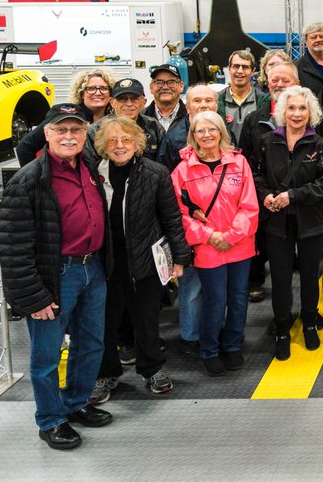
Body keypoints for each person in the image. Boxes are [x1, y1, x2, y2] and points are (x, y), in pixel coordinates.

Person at [1, 103, 114, 451]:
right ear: (46, 134)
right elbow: (13, 246)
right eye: (61, 130)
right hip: (56, 274)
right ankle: (50, 420)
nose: (69, 136)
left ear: (85, 135)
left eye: (76, 130)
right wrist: (33, 297)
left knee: (90, 343)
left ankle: (77, 402)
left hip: (92, 268)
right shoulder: (28, 180)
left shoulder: (90, 167)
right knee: (47, 356)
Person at [89, 116, 192, 404]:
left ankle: (152, 370)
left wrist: (180, 258)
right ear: (102, 146)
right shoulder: (93, 173)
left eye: (126, 140)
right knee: (105, 323)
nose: (119, 145)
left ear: (138, 144)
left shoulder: (156, 173)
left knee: (146, 320)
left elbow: (172, 219)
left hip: (145, 262)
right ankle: (106, 374)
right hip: (105, 264)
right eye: (112, 140)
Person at [253, 86, 323, 361]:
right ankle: (281, 329)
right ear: (282, 111)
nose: (297, 113)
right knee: (279, 278)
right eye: (291, 108)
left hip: (311, 222)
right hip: (277, 222)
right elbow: (256, 176)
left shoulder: (320, 145)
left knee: (309, 276)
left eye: (303, 108)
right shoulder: (268, 141)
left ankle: (310, 322)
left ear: (311, 112)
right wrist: (266, 196)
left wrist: (293, 196)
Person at [172, 111, 259, 376]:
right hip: (207, 247)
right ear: (193, 136)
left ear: (222, 132)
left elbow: (250, 206)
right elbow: (180, 215)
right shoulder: (182, 171)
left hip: (240, 245)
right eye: (200, 130)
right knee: (214, 299)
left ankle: (232, 345)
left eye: (212, 129)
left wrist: (231, 236)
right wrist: (210, 236)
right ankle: (209, 349)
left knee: (239, 298)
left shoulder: (239, 163)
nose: (207, 135)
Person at [154, 83, 220, 356]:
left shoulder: (223, 135)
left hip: (220, 230)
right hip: (188, 229)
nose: (204, 105)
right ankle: (191, 337)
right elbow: (165, 187)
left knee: (216, 290)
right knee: (192, 288)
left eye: (209, 100)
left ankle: (213, 332)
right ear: (187, 105)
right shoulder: (174, 139)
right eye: (197, 101)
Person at [15, 68, 117, 166]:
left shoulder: (115, 119)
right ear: (81, 94)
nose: (98, 93)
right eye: (91, 88)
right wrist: (37, 178)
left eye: (104, 88)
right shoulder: (67, 116)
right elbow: (24, 148)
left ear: (111, 94)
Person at [90, 78, 161, 162]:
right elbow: (91, 166)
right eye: (122, 99)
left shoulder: (153, 126)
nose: (129, 104)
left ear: (143, 102)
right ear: (112, 102)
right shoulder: (96, 130)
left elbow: (163, 162)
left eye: (134, 99)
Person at [218, 49, 269, 145]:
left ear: (253, 71)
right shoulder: (217, 100)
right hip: (227, 158)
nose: (240, 71)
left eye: (245, 67)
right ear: (229, 69)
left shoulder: (264, 101)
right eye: (236, 66)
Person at [295, 21, 323, 104]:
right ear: (306, 41)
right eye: (313, 37)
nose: (318, 40)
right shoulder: (296, 68)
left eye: (322, 36)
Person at [144, 63, 186, 140]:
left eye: (171, 82)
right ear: (151, 87)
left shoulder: (191, 117)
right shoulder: (140, 117)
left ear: (181, 86)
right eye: (159, 82)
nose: (165, 87)